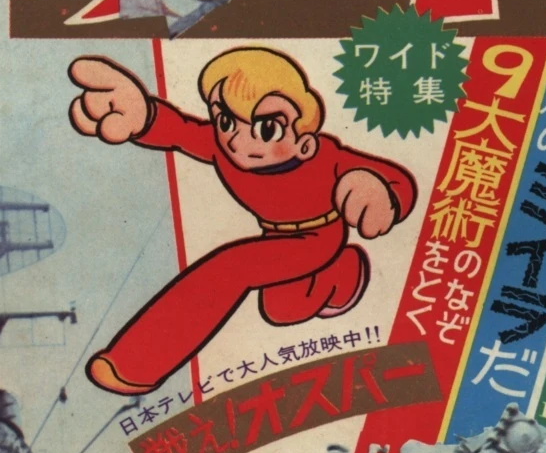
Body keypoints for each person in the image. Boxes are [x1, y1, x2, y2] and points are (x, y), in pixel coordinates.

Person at [68, 48, 418, 395]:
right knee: (281, 309)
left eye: (267, 128)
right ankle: (344, 275)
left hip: (319, 236)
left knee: (231, 267)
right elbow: (179, 130)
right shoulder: (223, 149)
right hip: (276, 238)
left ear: (304, 142)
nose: (236, 140)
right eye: (225, 120)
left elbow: (395, 181)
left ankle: (135, 365)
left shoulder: (324, 156)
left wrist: (377, 191)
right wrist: (142, 115)